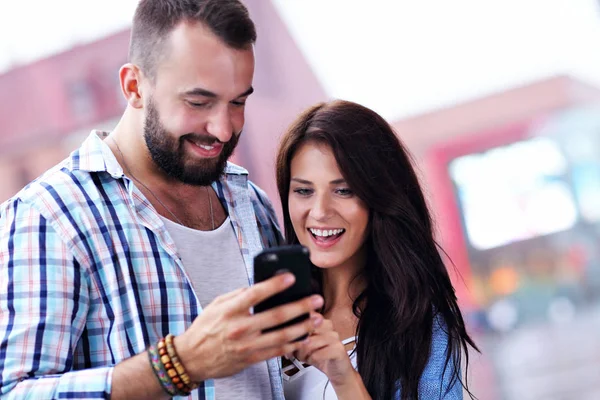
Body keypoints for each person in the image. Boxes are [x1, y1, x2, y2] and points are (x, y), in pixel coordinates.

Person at [0, 1, 324, 399]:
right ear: (135, 86)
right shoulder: (49, 216)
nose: (223, 129)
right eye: (198, 102)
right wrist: (181, 363)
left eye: (238, 102)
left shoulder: (250, 203)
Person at [275, 100, 479, 400]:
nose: (319, 212)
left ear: (377, 197)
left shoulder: (419, 324)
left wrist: (343, 377)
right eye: (304, 191)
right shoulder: (271, 308)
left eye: (343, 190)